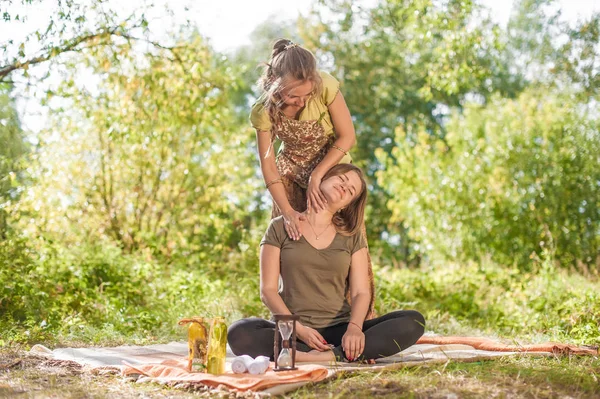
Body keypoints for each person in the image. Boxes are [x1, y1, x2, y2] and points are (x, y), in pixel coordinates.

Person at [228, 164, 425, 363]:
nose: (344, 187)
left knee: (413, 320)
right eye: (342, 179)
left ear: (346, 205)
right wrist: (299, 330)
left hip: (339, 332)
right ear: (322, 179)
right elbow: (268, 291)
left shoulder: (352, 236)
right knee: (239, 332)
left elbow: (360, 292)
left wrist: (355, 329)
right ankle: (333, 354)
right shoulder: (279, 226)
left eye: (350, 191)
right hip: (293, 332)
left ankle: (327, 356)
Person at [251, 38, 376, 318]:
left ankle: (356, 325)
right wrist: (287, 212)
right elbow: (269, 167)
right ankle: (292, 326)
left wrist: (319, 175)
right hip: (291, 177)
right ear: (274, 82)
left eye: (306, 96)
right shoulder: (263, 112)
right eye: (294, 96)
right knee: (292, 246)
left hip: (333, 173)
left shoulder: (325, 86)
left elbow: (348, 136)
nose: (301, 101)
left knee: (345, 247)